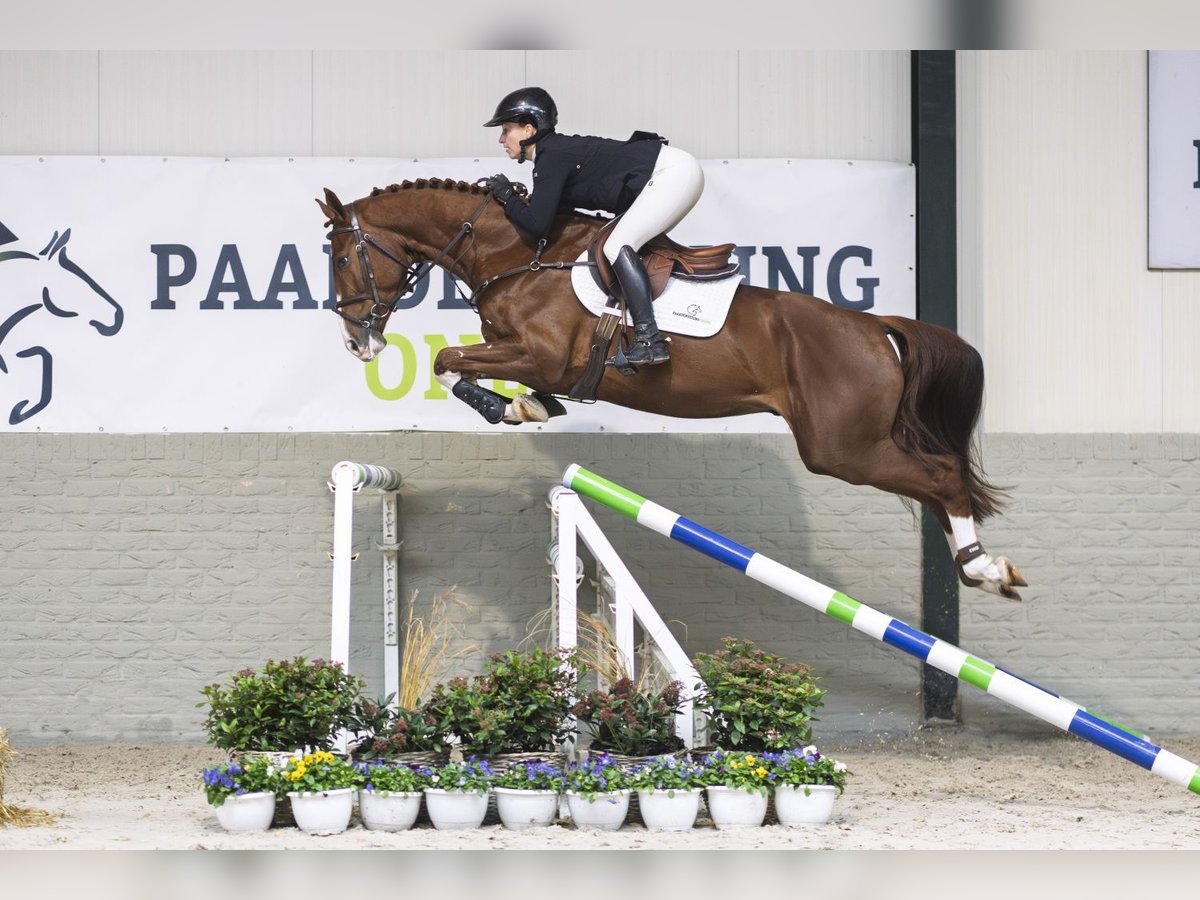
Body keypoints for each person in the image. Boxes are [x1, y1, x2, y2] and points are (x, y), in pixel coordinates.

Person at [483, 86, 704, 370]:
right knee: (621, 244)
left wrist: (507, 196)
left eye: (506, 130)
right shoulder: (553, 153)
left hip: (672, 174)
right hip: (674, 173)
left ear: (528, 129)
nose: (502, 139)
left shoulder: (551, 156)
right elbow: (550, 220)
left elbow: (537, 225)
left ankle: (650, 340)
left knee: (617, 245)